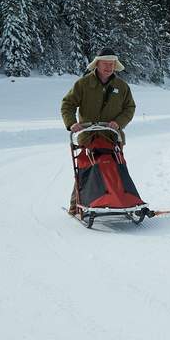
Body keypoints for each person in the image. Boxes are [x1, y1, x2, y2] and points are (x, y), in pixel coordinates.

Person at [61, 48, 137, 215]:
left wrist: (118, 123)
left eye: (112, 64)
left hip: (112, 137)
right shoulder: (83, 84)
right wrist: (72, 123)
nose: (108, 67)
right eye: (105, 63)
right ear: (97, 64)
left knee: (116, 169)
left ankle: (121, 201)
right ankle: (76, 206)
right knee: (87, 170)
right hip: (89, 136)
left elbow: (130, 108)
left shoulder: (121, 86)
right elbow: (67, 104)